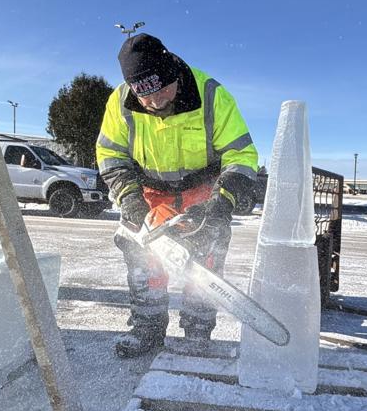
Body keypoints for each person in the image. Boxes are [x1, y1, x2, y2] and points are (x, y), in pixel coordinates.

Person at [96, 33, 259, 358]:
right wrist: (129, 198)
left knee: (204, 267)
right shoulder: (120, 101)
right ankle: (147, 331)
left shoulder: (211, 94)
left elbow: (241, 156)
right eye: (145, 97)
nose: (155, 102)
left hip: (203, 191)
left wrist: (221, 203)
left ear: (173, 74)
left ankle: (197, 335)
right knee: (146, 269)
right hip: (150, 195)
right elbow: (109, 154)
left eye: (161, 92)